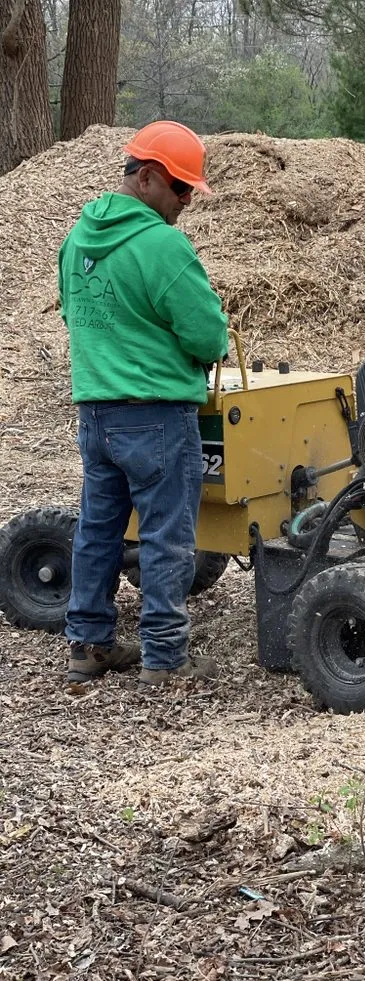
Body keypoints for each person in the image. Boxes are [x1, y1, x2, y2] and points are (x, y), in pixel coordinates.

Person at [58, 120, 229, 691]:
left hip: (96, 413)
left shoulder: (78, 239)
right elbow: (207, 338)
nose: (185, 202)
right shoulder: (162, 244)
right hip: (156, 416)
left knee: (99, 529)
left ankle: (87, 645)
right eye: (181, 189)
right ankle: (164, 656)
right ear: (151, 178)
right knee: (165, 536)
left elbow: (75, 316)